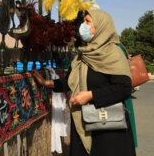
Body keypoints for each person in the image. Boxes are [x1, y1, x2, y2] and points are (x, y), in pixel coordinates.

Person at [33, 9, 136, 156]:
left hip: (108, 128)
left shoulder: (113, 53)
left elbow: (124, 88)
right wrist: (47, 83)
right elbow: (71, 81)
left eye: (88, 21)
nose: (83, 25)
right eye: (84, 21)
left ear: (101, 27)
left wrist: (91, 96)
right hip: (83, 123)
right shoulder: (82, 55)